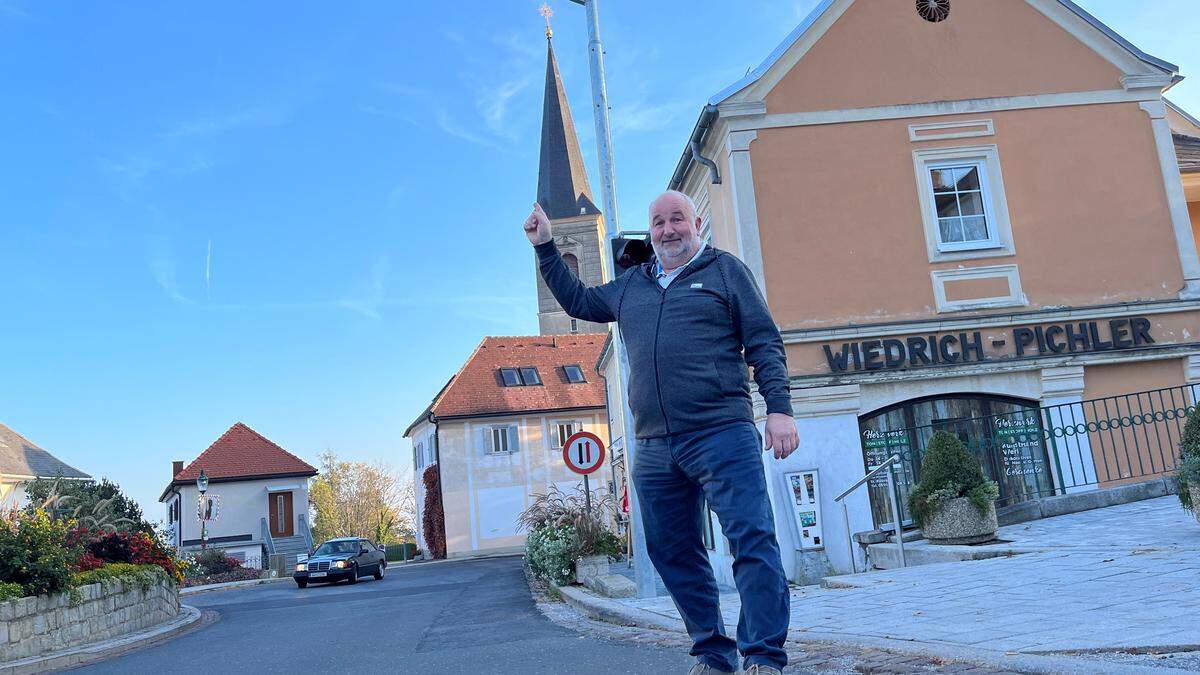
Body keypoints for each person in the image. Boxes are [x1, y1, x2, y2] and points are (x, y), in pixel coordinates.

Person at [523, 191, 797, 675]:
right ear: (650, 232)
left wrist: (779, 409)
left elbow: (763, 340)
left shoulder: (724, 271)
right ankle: (713, 652)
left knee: (751, 539)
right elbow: (579, 300)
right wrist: (546, 247)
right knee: (670, 550)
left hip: (722, 432)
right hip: (653, 443)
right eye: (658, 223)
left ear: (696, 225)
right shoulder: (632, 285)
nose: (668, 230)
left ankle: (764, 657)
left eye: (678, 220)